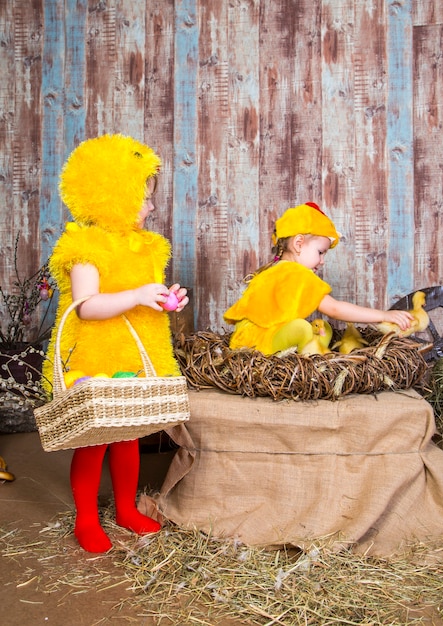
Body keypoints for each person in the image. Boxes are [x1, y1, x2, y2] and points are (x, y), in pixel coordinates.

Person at [42, 134, 188, 553]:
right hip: (95, 355)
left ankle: (126, 509)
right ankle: (86, 518)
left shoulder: (145, 248)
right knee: (95, 439)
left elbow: (143, 297)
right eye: (144, 197)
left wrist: (164, 299)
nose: (152, 206)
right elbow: (87, 306)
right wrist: (138, 295)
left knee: (128, 437)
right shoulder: (86, 247)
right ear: (113, 196)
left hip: (133, 352)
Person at [223, 202, 413, 355]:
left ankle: (313, 351)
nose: (322, 261)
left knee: (325, 329)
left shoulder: (277, 269)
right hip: (256, 342)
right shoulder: (297, 272)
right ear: (299, 243)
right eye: (320, 252)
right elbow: (335, 309)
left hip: (248, 337)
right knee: (303, 328)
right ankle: (312, 355)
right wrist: (383, 315)